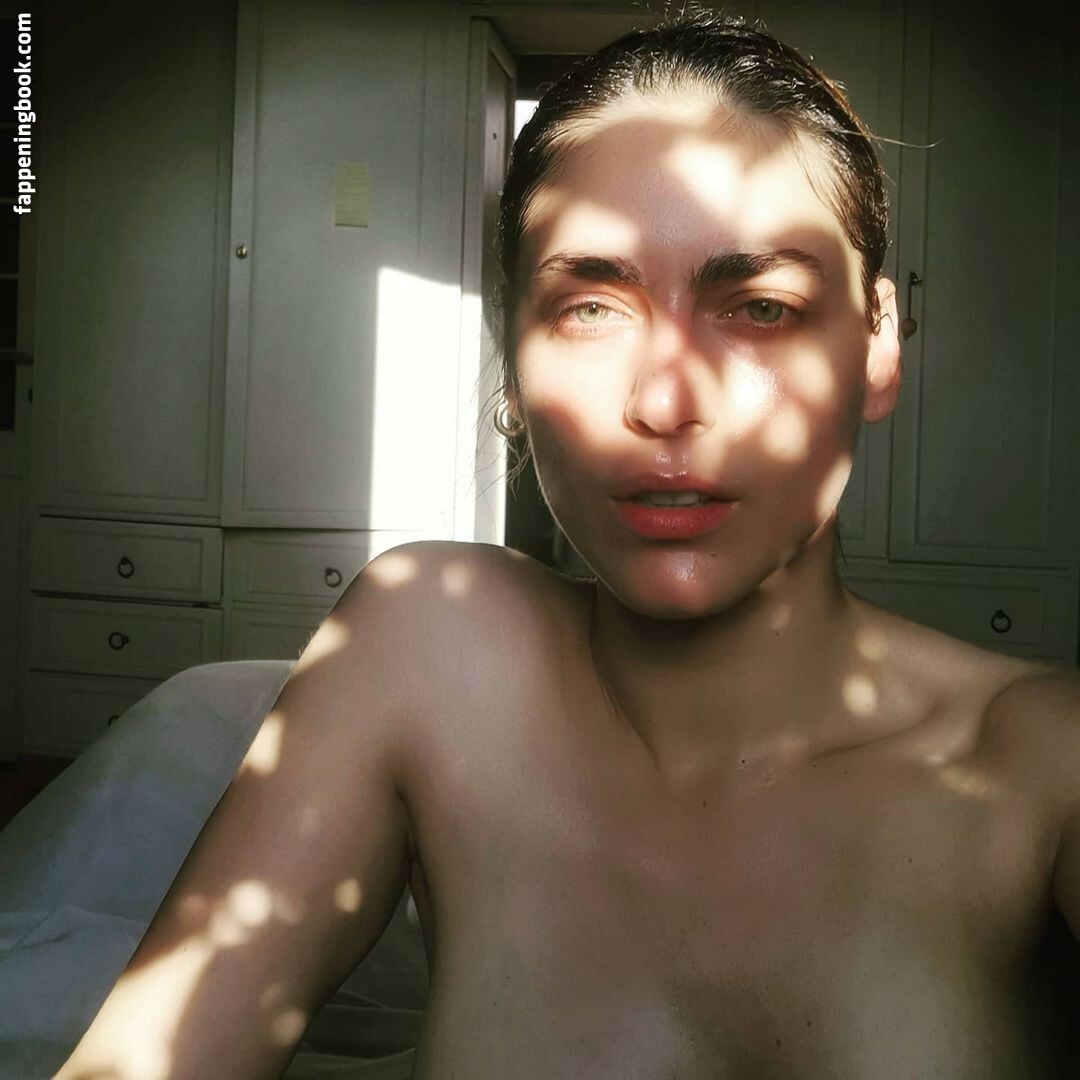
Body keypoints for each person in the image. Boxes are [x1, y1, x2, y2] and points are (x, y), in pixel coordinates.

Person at [59, 9, 1080, 1079]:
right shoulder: (428, 644)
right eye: (591, 307)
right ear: (514, 359)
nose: (664, 401)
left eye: (761, 306)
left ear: (878, 344)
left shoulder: (1038, 760)